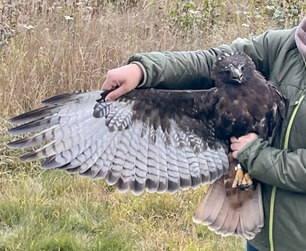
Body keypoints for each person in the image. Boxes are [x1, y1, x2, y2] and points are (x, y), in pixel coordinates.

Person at [101, 16, 306, 251]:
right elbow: (212, 61)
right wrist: (143, 69)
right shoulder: (286, 45)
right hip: (263, 235)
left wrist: (255, 155)